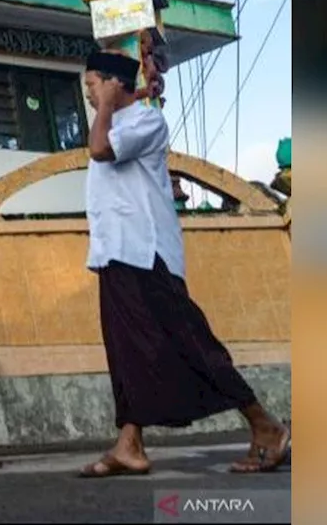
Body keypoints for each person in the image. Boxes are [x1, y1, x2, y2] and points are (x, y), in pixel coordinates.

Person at [78, 51, 290, 478]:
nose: (89, 95)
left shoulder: (144, 122)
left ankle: (265, 425)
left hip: (146, 253)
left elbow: (100, 150)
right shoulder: (120, 118)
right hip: (114, 253)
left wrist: (110, 101)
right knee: (126, 351)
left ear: (113, 84)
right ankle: (130, 443)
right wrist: (117, 97)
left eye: (93, 85)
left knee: (189, 341)